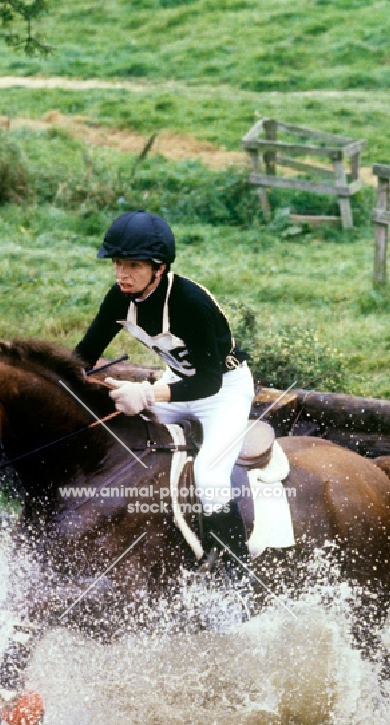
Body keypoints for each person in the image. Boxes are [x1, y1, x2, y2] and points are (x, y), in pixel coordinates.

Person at [75, 210, 255, 564]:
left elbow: (207, 381)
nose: (122, 274)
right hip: (176, 382)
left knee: (209, 476)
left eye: (133, 266)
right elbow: (83, 355)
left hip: (224, 390)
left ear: (159, 268)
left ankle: (236, 571)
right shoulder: (118, 298)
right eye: (117, 264)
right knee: (120, 432)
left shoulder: (190, 303)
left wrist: (145, 393)